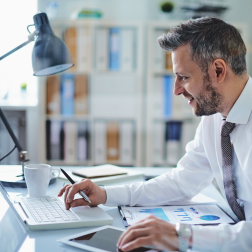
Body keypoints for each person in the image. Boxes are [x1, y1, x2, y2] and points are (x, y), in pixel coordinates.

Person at [58, 17, 252, 251]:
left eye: (184, 77)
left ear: (218, 70)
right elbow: (182, 182)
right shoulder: (215, 117)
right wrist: (105, 194)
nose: (176, 89)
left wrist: (182, 236)